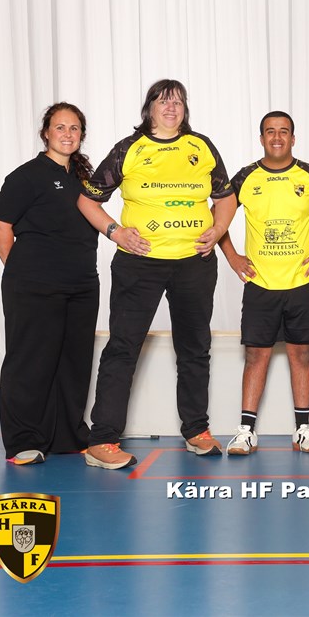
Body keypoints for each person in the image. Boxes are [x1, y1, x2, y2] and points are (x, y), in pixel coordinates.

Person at [77, 79, 237, 469]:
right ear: (149, 107)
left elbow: (226, 198)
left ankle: (197, 430)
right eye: (163, 101)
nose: (171, 108)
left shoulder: (200, 146)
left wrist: (217, 230)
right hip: (140, 263)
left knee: (195, 348)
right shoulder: (129, 149)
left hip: (194, 262)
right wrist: (116, 232)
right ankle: (103, 440)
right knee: (123, 347)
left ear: (185, 109)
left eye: (178, 101)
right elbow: (87, 199)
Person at [218, 111, 309, 455]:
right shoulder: (245, 177)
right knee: (255, 356)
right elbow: (217, 219)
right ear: (261, 138)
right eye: (270, 131)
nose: (277, 137)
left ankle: (303, 430)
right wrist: (232, 257)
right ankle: (246, 431)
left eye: (284, 131)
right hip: (260, 284)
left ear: (293, 138)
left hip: (301, 282)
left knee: (301, 354)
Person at [0, 102, 99, 465]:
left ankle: (68, 436)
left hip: (82, 285)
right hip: (34, 285)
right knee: (30, 362)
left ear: (81, 135)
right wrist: (22, 271)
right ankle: (23, 441)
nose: (67, 134)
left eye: (74, 128)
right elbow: (0, 226)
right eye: (60, 127)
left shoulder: (84, 179)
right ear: (46, 133)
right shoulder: (26, 176)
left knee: (73, 362)